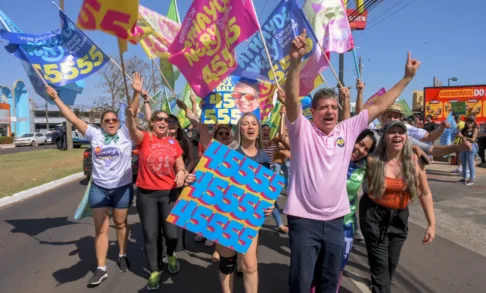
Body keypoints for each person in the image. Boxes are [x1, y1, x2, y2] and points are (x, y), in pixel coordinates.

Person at [283, 29, 421, 293]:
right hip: (303, 221)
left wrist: (406, 78)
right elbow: (291, 99)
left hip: (336, 221)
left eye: (334, 107)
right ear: (312, 113)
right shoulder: (301, 130)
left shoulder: (346, 130)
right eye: (323, 107)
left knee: (329, 282)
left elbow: (380, 105)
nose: (331, 112)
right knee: (300, 283)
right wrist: (294, 63)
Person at [46, 86, 134, 286]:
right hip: (99, 189)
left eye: (114, 120)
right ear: (102, 124)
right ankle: (101, 268)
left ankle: (122, 254)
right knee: (101, 228)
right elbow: (72, 118)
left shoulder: (126, 135)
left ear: (119, 123)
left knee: (120, 224)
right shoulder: (95, 135)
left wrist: (136, 94)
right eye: (107, 121)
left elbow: (132, 112)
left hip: (122, 188)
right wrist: (56, 98)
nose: (111, 123)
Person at [125, 73, 193, 291]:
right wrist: (137, 93)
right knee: (151, 235)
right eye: (159, 119)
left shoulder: (173, 142)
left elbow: (180, 164)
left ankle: (171, 254)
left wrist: (181, 172)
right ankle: (154, 270)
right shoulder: (144, 138)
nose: (163, 122)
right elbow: (131, 118)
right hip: (146, 195)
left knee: (172, 234)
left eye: (166, 119)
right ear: (152, 123)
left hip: (169, 194)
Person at [360, 121, 435, 293]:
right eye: (391, 132)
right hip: (373, 215)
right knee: (380, 267)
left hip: (399, 218)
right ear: (384, 138)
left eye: (400, 132)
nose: (397, 135)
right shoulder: (372, 160)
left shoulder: (414, 162)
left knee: (391, 263)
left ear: (406, 138)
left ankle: (379, 285)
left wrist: (431, 224)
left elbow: (425, 193)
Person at [217, 112, 274, 293]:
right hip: (226, 215)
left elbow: (265, 190)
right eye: (245, 124)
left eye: (254, 124)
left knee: (250, 265)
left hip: (249, 216)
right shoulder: (229, 153)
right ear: (239, 129)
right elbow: (213, 181)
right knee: (227, 263)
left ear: (258, 129)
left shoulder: (263, 157)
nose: (250, 127)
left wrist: (269, 203)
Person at [456, 116, 479, 185]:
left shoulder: (475, 129)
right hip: (463, 147)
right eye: (467, 121)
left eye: (471, 122)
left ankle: (471, 180)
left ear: (473, 123)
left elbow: (473, 139)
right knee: (463, 163)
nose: (469, 123)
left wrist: (462, 136)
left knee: (470, 164)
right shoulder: (463, 129)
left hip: (472, 147)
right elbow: (460, 137)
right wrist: (458, 134)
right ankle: (464, 178)